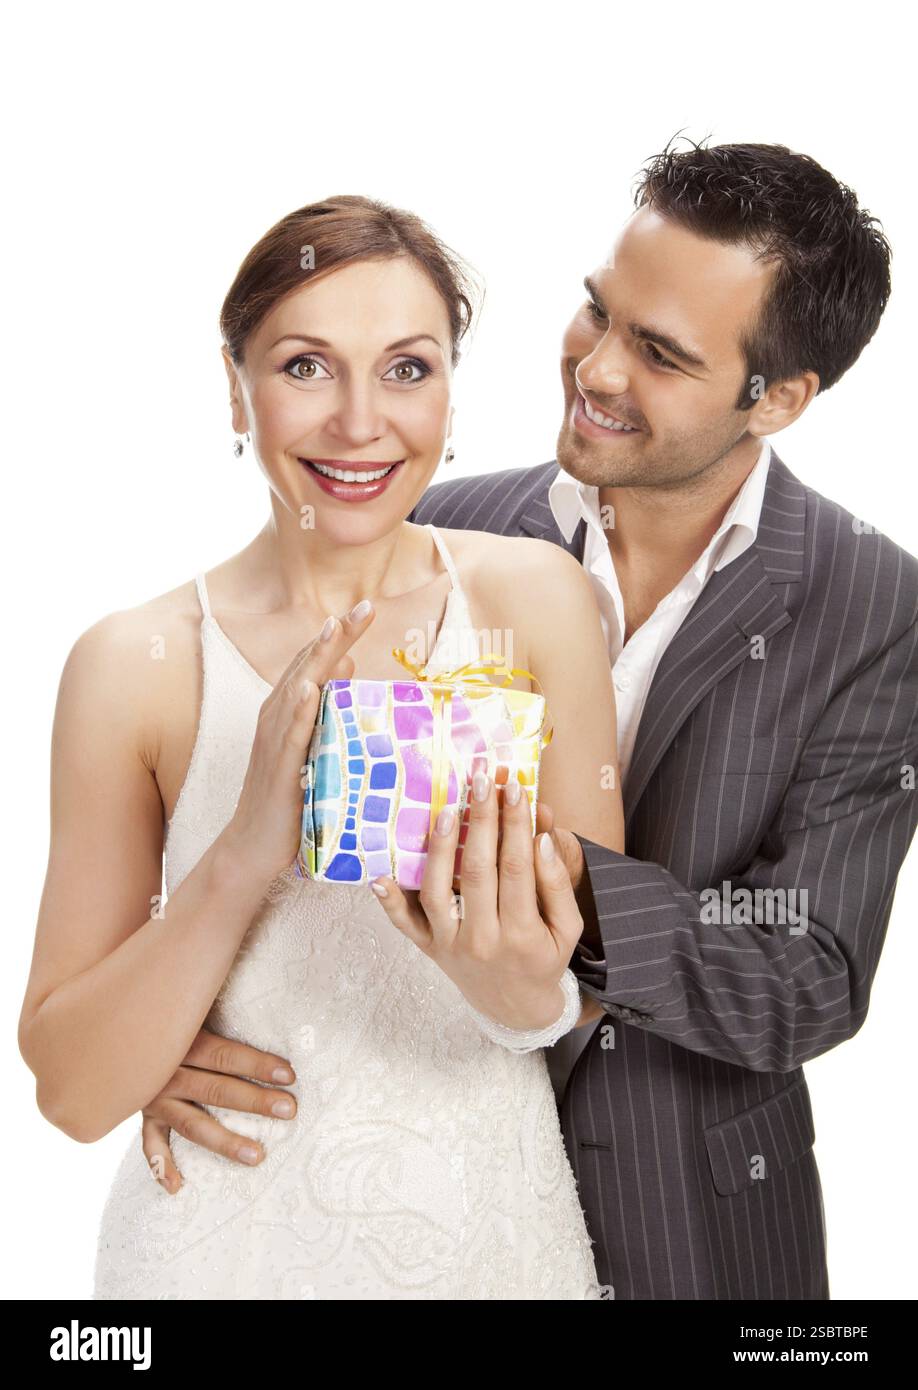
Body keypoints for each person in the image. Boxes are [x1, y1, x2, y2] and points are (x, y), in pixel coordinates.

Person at [132, 140, 917, 1301]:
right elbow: (283, 831)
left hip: (690, 1224)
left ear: (783, 398)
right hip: (391, 1207)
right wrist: (159, 1041)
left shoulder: (873, 604)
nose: (595, 368)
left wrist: (549, 886)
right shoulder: (446, 521)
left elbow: (809, 976)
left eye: (658, 353)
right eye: (598, 311)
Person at [17, 196, 625, 1300]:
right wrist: (249, 847)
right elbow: (71, 1089)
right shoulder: (134, 663)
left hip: (486, 1241)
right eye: (305, 366)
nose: (359, 424)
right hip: (217, 1243)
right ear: (234, 383)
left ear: (450, 385)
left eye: (406, 369)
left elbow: (580, 985)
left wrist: (516, 981)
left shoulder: (535, 601)